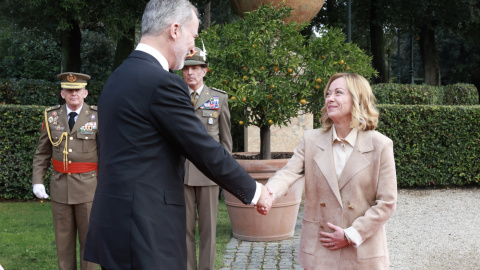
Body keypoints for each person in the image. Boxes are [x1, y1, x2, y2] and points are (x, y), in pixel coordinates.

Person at [83, 1, 273, 269]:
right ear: (174, 30)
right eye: (193, 35)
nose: (192, 47)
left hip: (114, 226)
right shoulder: (162, 82)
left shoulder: (118, 77)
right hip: (145, 231)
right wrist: (254, 191)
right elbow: (202, 147)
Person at [263, 73, 397, 269]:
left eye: (338, 93)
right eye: (328, 93)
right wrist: (268, 193)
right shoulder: (311, 140)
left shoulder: (380, 145)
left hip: (362, 251)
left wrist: (350, 235)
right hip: (320, 249)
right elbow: (288, 173)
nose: (330, 98)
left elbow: (387, 202)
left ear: (357, 99)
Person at [32, 72, 98, 270]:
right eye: (69, 90)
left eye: (77, 90)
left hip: (89, 189)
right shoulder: (52, 117)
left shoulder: (97, 116)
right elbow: (42, 153)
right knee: (63, 243)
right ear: (62, 94)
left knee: (90, 243)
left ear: (85, 93)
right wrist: (38, 181)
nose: (73, 94)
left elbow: (107, 154)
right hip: (60, 187)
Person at [182, 46, 231, 270]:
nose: (190, 73)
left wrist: (224, 175)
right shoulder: (175, 96)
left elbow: (225, 143)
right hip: (180, 174)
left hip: (209, 175)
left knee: (209, 231)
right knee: (184, 230)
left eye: (195, 68)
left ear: (204, 71)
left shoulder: (218, 99)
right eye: (186, 69)